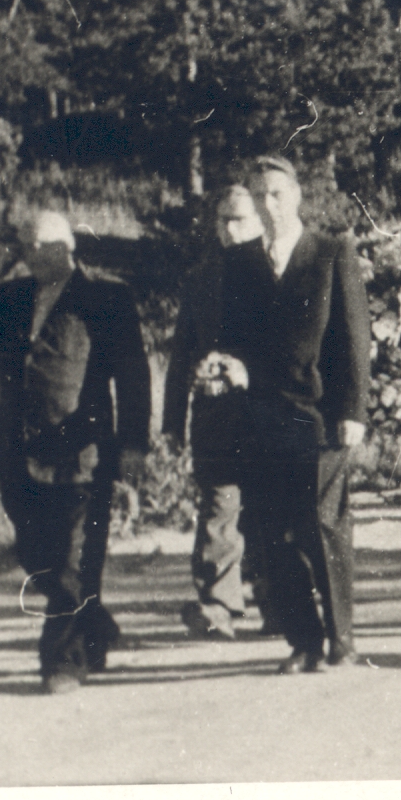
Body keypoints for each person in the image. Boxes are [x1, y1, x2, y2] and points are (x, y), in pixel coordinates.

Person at [0, 211, 150, 693]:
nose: (37, 255)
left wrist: (135, 444)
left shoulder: (107, 296)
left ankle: (63, 662)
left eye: (45, 246)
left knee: (73, 562)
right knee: (36, 556)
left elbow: (134, 375)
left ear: (70, 246)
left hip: (83, 451)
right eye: (27, 247)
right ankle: (94, 627)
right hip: (18, 451)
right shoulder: (13, 296)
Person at [228, 155, 370, 674]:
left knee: (324, 527)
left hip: (320, 416)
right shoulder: (240, 263)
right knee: (273, 534)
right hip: (262, 416)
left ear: (298, 198)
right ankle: (303, 640)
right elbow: (229, 337)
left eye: (277, 194)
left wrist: (353, 408)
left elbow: (354, 338)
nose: (269, 205)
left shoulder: (331, 253)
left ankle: (342, 638)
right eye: (260, 195)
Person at [161, 185, 271, 641]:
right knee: (218, 508)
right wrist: (171, 422)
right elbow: (181, 352)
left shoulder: (277, 274)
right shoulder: (201, 279)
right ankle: (219, 604)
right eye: (223, 219)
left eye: (240, 219)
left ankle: (276, 600)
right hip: (214, 416)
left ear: (261, 221)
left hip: (267, 412)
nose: (230, 229)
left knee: (267, 511)